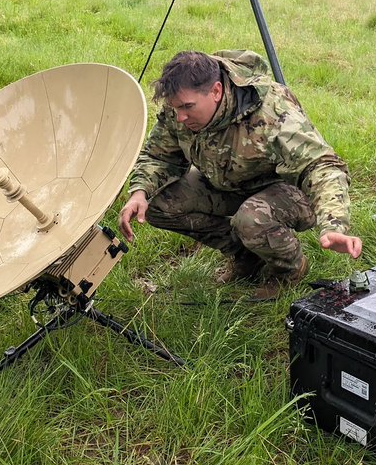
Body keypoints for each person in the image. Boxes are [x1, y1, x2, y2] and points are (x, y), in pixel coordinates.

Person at [119, 50, 362, 294]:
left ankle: (289, 270)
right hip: (228, 182)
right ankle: (246, 256)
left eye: (187, 107)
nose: (180, 117)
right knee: (157, 202)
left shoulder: (271, 111)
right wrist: (139, 192)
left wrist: (334, 226)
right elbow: (158, 155)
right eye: (175, 108)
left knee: (250, 218)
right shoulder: (181, 107)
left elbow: (322, 166)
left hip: (288, 190)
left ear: (215, 91)